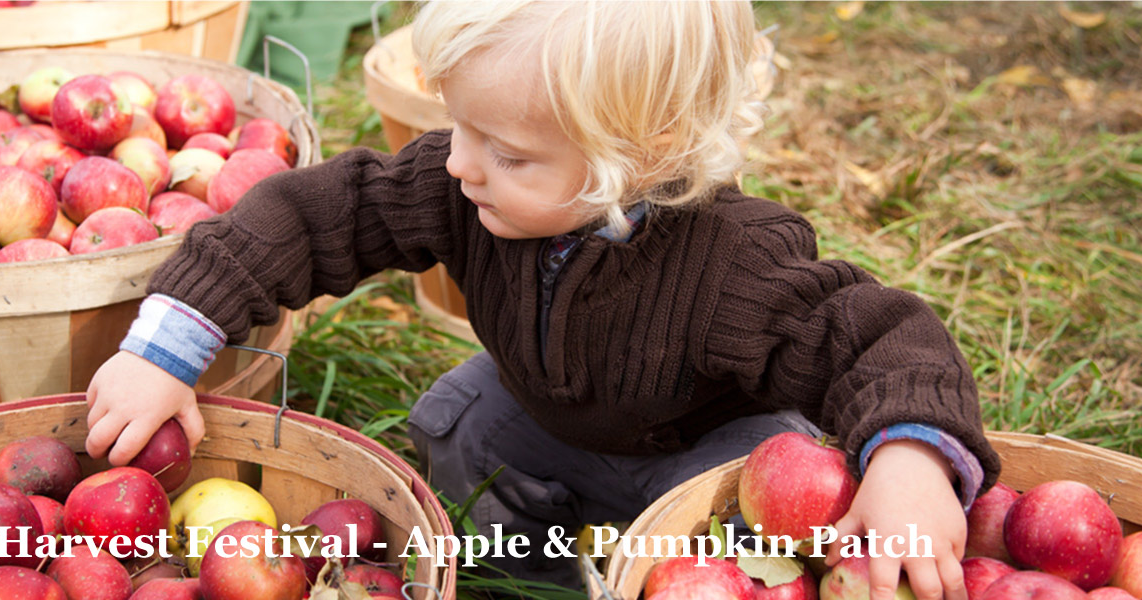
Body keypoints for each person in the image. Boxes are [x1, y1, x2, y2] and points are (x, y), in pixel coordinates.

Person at [85, 2, 999, 597]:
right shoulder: (460, 187)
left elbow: (878, 335)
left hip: (702, 457)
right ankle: (539, 570)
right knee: (453, 419)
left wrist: (913, 460)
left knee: (738, 532)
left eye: (508, 152)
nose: (457, 162)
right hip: (548, 413)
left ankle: (655, 569)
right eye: (458, 127)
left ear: (642, 156)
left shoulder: (734, 264)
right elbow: (319, 214)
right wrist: (168, 345)